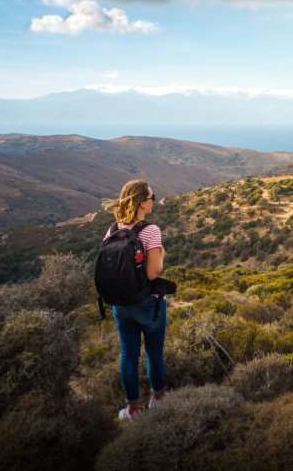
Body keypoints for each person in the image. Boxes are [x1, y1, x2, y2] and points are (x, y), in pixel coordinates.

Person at [102, 179, 167, 420]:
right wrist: (161, 253)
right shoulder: (151, 230)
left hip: (120, 304)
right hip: (147, 303)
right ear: (142, 203)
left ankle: (132, 409)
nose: (153, 201)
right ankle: (158, 399)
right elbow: (153, 272)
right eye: (152, 197)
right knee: (154, 352)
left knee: (128, 354)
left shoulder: (112, 229)